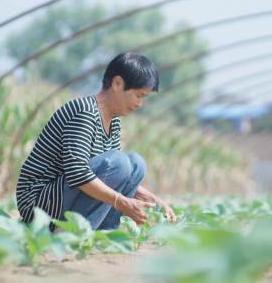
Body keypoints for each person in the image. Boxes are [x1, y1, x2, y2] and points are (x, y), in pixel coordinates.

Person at [15, 52, 176, 229]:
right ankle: (69, 232)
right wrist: (122, 202)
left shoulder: (113, 119)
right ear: (117, 83)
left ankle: (101, 230)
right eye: (139, 95)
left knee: (136, 164)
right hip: (39, 203)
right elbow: (78, 173)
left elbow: (111, 175)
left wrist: (153, 200)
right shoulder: (84, 112)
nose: (140, 104)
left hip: (65, 194)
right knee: (121, 162)